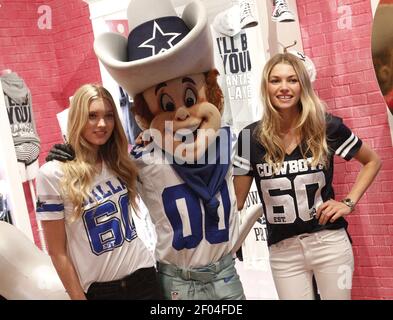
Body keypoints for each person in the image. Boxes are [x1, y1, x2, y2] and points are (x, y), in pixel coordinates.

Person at [48, 0, 245, 300]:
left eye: (190, 97)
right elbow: (103, 169)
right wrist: (69, 152)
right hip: (177, 281)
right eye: (167, 104)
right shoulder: (139, 160)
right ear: (143, 113)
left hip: (225, 273)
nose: (180, 112)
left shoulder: (229, 143)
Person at [234, 53, 381, 300]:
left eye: (292, 80)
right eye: (275, 80)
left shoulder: (326, 126)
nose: (283, 87)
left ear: (303, 84)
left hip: (330, 243)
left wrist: (348, 203)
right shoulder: (249, 138)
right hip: (283, 251)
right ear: (265, 87)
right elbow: (236, 201)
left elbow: (372, 161)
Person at [36, 84, 162, 300]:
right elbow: (57, 252)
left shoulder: (120, 163)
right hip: (102, 291)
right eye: (92, 116)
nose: (102, 124)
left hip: (144, 277)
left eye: (109, 116)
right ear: (77, 118)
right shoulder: (52, 174)